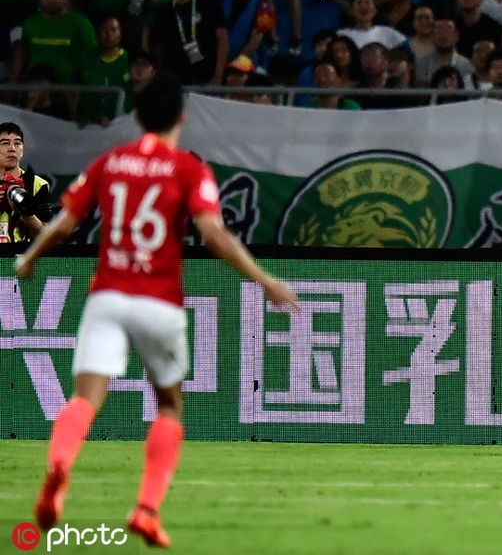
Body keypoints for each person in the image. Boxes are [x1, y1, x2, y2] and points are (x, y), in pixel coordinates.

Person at [18, 72, 299, 548]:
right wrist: (266, 280)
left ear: (136, 117)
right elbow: (213, 234)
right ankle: (146, 509)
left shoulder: (109, 162)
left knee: (84, 399)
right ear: (182, 118)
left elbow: (64, 226)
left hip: (107, 294)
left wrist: (29, 257)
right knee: (168, 405)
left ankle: (60, 464)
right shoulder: (189, 169)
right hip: (159, 302)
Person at [0, 121, 52, 243]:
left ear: (22, 150)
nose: (12, 148)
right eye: (5, 143)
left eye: (17, 143)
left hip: (22, 257)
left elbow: (45, 236)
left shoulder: (38, 184)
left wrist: (25, 213)